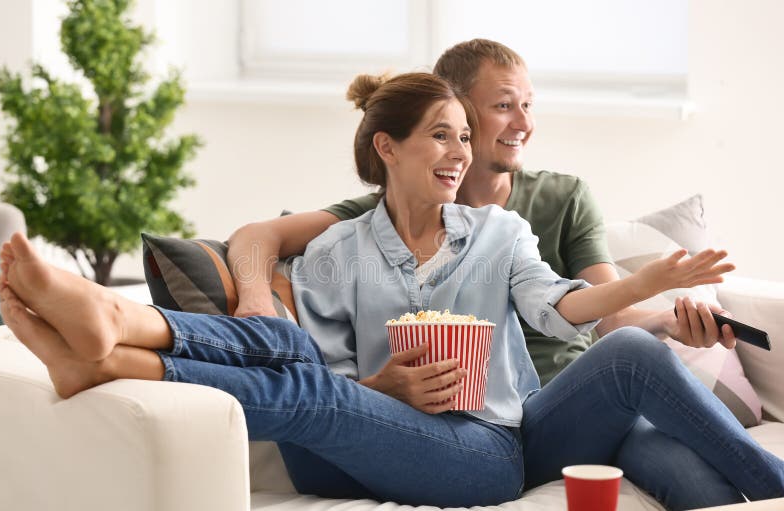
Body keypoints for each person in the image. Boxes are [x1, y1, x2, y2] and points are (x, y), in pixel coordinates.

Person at [0, 73, 783, 511]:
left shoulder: (499, 232)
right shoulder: (336, 249)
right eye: (442, 134)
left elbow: (557, 305)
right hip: (351, 447)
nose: (460, 152)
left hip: (487, 446)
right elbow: (313, 365)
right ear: (388, 148)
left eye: (464, 136)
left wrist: (645, 282)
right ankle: (115, 322)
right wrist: (383, 386)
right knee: (300, 364)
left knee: (635, 351)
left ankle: (112, 349)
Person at [226, 39, 735, 387]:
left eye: (529, 105)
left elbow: (611, 319)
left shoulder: (558, 201)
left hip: (577, 390)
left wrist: (669, 318)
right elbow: (256, 236)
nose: (524, 123)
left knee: (667, 446)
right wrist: (255, 299)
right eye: (505, 105)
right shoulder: (387, 216)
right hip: (495, 412)